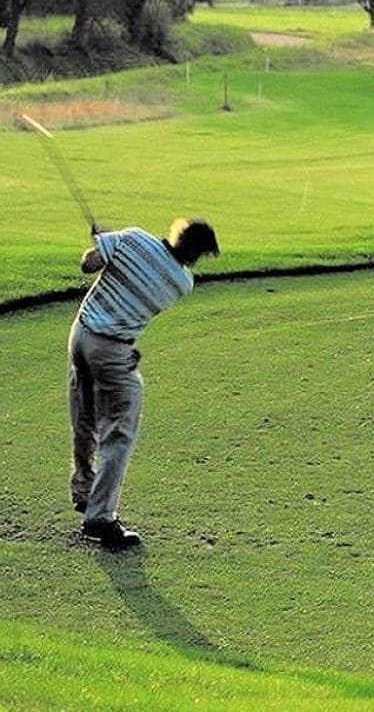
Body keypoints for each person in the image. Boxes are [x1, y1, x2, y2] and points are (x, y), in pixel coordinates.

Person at [69, 218, 219, 550]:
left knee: (85, 415)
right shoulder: (181, 281)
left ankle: (83, 489)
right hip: (111, 348)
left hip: (80, 335)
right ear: (196, 255)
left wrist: (105, 243)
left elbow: (87, 264)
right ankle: (100, 518)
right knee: (120, 429)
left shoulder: (134, 238)